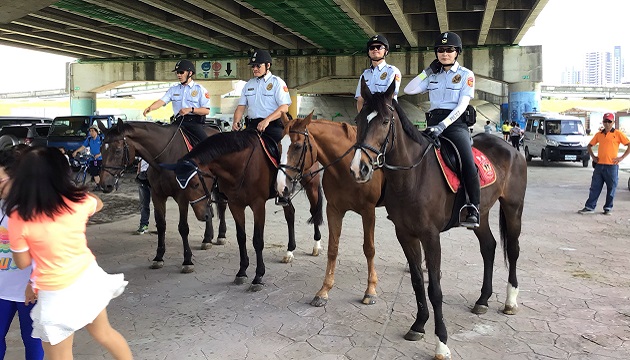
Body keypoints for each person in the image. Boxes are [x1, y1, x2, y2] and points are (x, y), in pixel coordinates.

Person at [6, 147, 132, 360]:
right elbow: (98, 203)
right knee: (105, 334)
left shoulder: (19, 217)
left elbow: (22, 262)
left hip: (55, 293)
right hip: (88, 279)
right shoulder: (78, 201)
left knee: (60, 355)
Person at [403, 31, 480, 228]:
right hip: (432, 124)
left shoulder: (465, 75)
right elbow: (408, 90)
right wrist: (427, 71)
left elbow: (462, 105)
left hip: (455, 126)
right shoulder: (432, 76)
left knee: (467, 162)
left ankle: (473, 207)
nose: (445, 53)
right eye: (440, 50)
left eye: (449, 50)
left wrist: (443, 125)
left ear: (457, 52)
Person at [0, 147, 44, 360]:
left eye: (0, 180)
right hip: (1, 291)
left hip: (31, 293)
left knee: (34, 343)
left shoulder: (37, 209)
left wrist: (34, 284)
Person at [143, 59, 210, 143]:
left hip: (194, 123)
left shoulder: (200, 90)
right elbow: (162, 101)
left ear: (190, 73)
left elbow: (206, 111)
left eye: (181, 72)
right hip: (178, 122)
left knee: (206, 143)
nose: (178, 75)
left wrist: (190, 109)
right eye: (177, 72)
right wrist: (150, 108)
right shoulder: (173, 89)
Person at [232, 49, 291, 143]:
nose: (255, 69)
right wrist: (236, 121)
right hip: (252, 127)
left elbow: (284, 107)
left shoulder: (277, 82)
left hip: (272, 125)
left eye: (258, 66)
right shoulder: (248, 85)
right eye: (253, 66)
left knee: (284, 149)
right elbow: (241, 107)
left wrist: (267, 120)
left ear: (268, 65)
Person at [578, 113, 630, 215]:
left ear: (613, 122)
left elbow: (628, 145)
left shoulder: (618, 134)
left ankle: (608, 208)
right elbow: (589, 146)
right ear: (603, 122)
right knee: (595, 187)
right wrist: (593, 157)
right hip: (599, 165)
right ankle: (589, 207)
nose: (607, 124)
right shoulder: (599, 134)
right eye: (605, 121)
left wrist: (621, 157)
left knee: (611, 188)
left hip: (612, 166)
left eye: (609, 121)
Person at [355, 34, 402, 113]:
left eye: (379, 47)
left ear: (385, 51)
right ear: (368, 52)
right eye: (372, 48)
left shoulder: (392, 71)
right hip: (368, 113)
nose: (375, 49)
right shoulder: (365, 74)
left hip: (386, 114)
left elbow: (390, 96)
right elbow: (360, 99)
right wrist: (362, 118)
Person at [72, 124, 103, 191]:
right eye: (90, 131)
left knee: (99, 172)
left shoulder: (101, 139)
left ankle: (100, 185)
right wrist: (76, 151)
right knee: (94, 172)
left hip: (100, 159)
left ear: (96, 131)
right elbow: (83, 146)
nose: (91, 133)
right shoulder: (89, 139)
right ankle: (99, 185)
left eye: (92, 131)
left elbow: (106, 148)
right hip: (92, 158)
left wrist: (99, 154)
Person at [135, 158, 150, 235]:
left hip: (154, 178)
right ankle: (144, 224)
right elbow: (140, 161)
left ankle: (160, 225)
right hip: (142, 177)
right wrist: (138, 171)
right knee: (144, 203)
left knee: (158, 204)